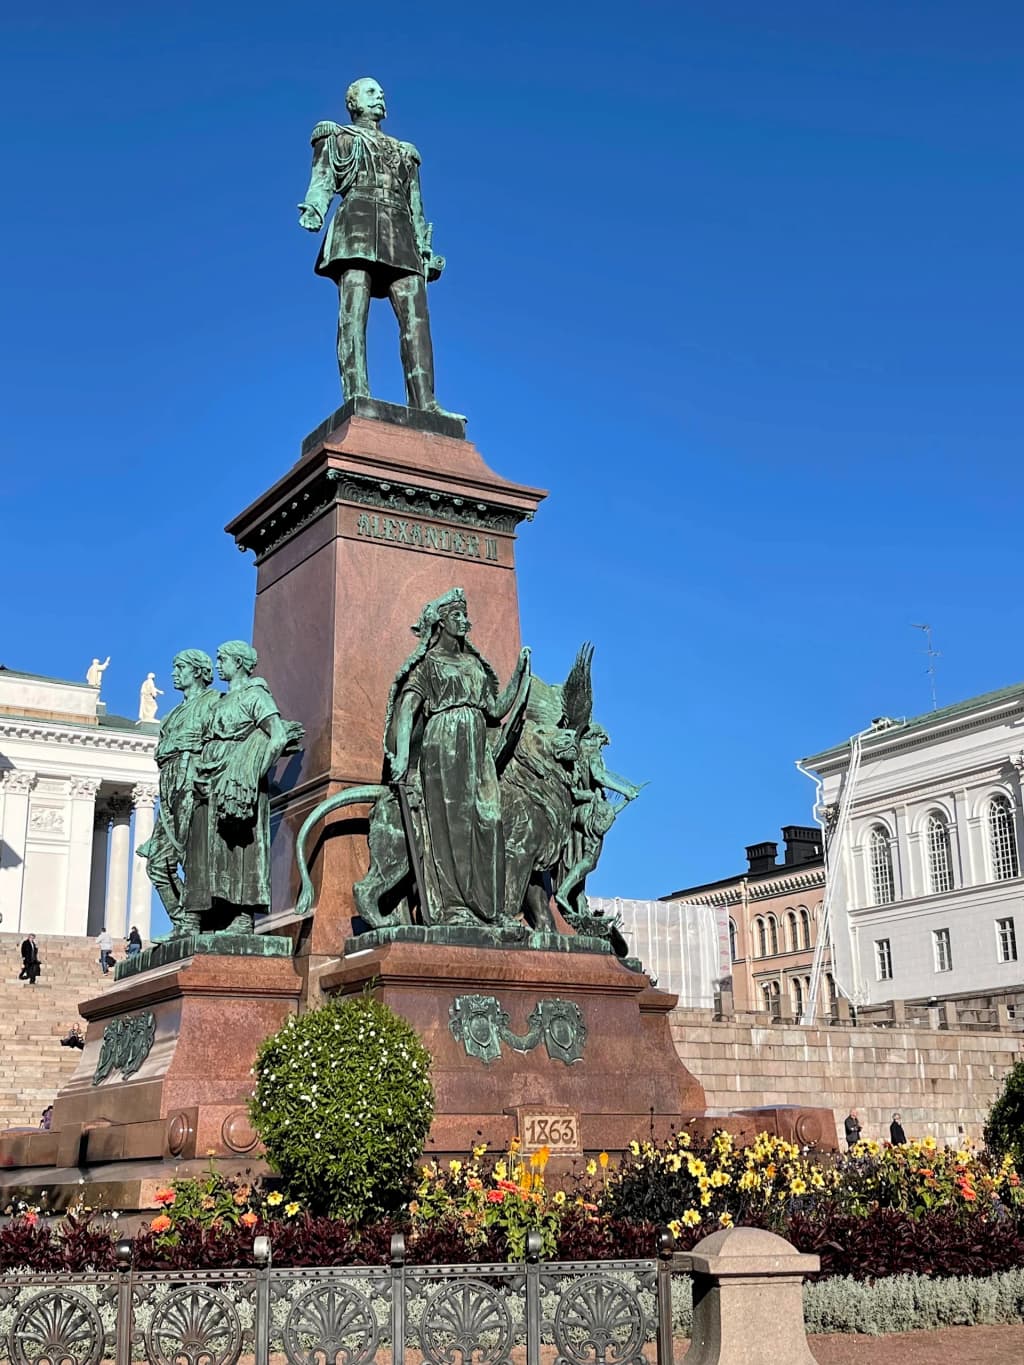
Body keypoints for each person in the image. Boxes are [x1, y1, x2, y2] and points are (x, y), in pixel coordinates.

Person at [298, 77, 456, 415]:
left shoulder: (404, 152)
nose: (380, 96)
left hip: (400, 232)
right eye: (371, 92)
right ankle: (358, 394)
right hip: (356, 221)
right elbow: (323, 180)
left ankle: (426, 403)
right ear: (353, 102)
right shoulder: (337, 137)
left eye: (381, 93)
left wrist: (426, 251)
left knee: (417, 317)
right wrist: (314, 208)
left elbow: (416, 206)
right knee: (354, 312)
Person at [387, 588, 530, 925]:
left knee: (489, 819)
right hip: (444, 742)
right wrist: (402, 755)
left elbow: (495, 708)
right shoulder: (428, 665)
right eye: (458, 616)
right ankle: (454, 907)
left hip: (477, 750)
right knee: (451, 826)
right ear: (441, 622)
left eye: (466, 615)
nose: (466, 621)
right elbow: (407, 709)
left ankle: (488, 908)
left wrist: (520, 674)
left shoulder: (472, 664)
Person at [192, 642, 292, 933]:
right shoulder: (220, 701)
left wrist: (251, 773)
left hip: (238, 783)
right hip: (212, 780)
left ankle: (243, 915)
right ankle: (216, 913)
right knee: (213, 849)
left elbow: (279, 736)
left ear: (239, 662)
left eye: (222, 659)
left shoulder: (255, 696)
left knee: (240, 849)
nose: (218, 663)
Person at [137, 649, 220, 935]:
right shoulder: (171, 715)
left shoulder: (215, 703)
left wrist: (195, 747)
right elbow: (160, 750)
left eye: (179, 667)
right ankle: (182, 920)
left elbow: (224, 742)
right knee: (157, 864)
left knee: (192, 858)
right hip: (170, 786)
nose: (174, 673)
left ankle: (197, 922)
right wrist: (174, 746)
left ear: (197, 671)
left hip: (193, 783)